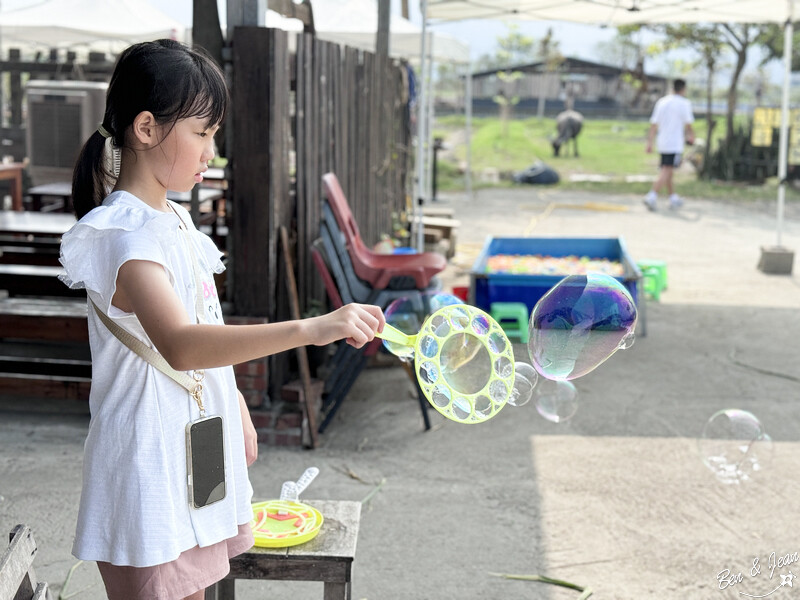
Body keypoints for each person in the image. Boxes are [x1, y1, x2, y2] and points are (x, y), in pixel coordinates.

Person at [59, 39, 385, 600]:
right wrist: (313, 328)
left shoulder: (175, 220)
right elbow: (182, 344)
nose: (213, 151)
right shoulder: (125, 236)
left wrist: (232, 403)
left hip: (191, 450)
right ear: (146, 128)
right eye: (202, 133)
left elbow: (202, 323)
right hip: (148, 465)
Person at [644, 78, 695, 211]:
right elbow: (688, 124)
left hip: (662, 141)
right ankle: (652, 195)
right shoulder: (684, 103)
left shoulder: (662, 102)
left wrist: (650, 142)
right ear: (683, 89)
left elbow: (654, 124)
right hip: (675, 143)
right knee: (667, 170)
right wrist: (692, 137)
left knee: (669, 170)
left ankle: (673, 197)